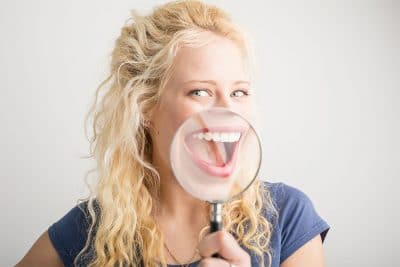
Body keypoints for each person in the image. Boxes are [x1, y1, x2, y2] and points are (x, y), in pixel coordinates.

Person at [16, 1, 330, 266]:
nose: (228, 112)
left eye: (239, 92)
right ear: (145, 107)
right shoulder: (90, 231)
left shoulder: (287, 218)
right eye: (200, 92)